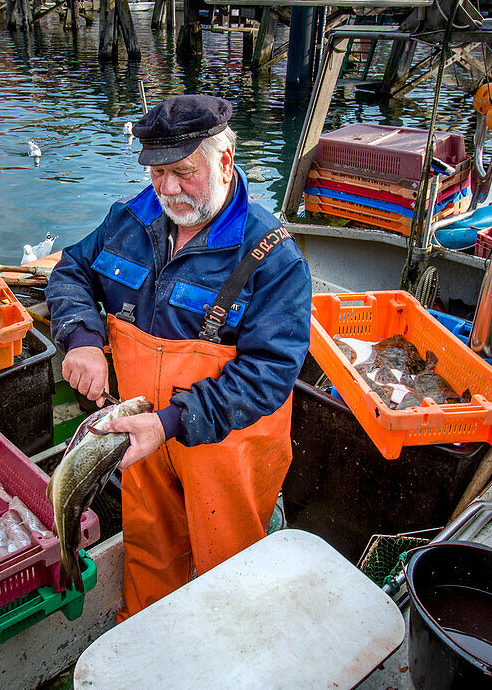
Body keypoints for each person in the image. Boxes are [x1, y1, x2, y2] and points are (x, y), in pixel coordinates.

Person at [45, 94, 311, 619]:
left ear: (225, 160)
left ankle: (227, 661)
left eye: (183, 173)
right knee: (150, 545)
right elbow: (71, 270)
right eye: (157, 172)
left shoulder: (275, 258)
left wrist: (171, 422)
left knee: (231, 565)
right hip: (141, 432)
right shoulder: (129, 220)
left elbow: (269, 373)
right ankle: (147, 643)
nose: (167, 188)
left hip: (225, 445)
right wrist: (82, 338)